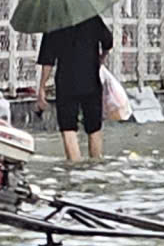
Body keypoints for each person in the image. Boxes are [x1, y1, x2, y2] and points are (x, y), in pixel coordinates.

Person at [38, 12, 114, 163]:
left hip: (66, 82)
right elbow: (108, 42)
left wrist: (41, 87)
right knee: (94, 127)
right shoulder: (92, 17)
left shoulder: (55, 22)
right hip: (90, 79)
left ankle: (75, 169)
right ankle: (96, 165)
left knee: (68, 128)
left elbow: (48, 60)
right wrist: (101, 58)